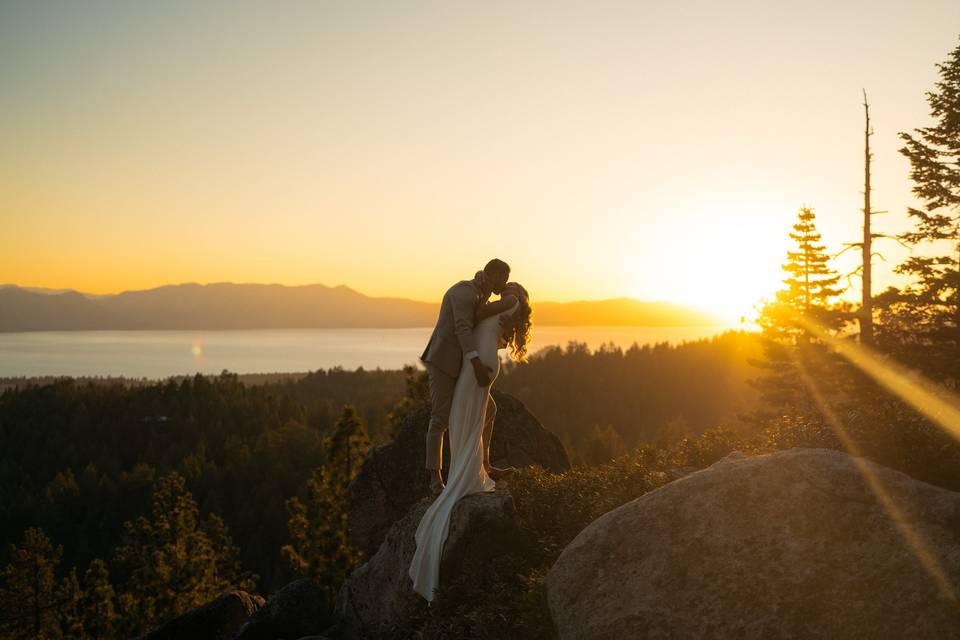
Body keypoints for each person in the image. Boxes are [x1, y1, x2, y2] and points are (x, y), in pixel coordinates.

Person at [409, 281, 533, 602]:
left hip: (480, 364)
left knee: (467, 415)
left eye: (508, 285)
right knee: (478, 413)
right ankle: (467, 467)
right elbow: (482, 325)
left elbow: (478, 315)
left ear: (514, 290)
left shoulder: (505, 301)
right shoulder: (497, 303)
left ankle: (470, 468)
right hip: (472, 361)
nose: (503, 288)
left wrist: (497, 299)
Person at [420, 259, 513, 494]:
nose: (505, 284)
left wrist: (507, 330)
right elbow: (462, 328)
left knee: (489, 410)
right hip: (443, 361)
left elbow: (483, 332)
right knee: (439, 418)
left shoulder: (482, 297)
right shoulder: (463, 293)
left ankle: (485, 465)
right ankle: (435, 478)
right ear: (492, 274)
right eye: (503, 278)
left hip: (463, 364)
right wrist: (477, 364)